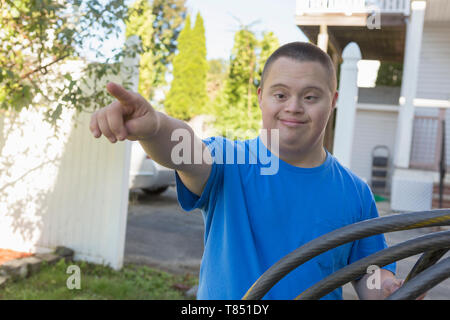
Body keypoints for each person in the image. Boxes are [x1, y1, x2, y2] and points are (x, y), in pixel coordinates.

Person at [90, 41, 409, 300]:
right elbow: (184, 151)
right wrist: (155, 126)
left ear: (333, 101)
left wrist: (391, 289)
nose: (294, 107)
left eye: (310, 97)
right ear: (261, 97)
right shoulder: (228, 161)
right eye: (281, 94)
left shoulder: (355, 192)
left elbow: (372, 275)